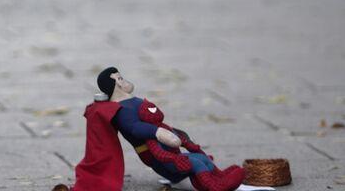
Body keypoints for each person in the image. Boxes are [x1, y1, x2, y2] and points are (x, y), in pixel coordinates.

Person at [97, 67, 245, 191]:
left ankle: (219, 176)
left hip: (166, 146)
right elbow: (135, 128)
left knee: (200, 158)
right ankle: (214, 185)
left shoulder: (130, 101)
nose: (124, 80)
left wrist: (174, 133)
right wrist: (158, 132)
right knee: (195, 163)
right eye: (120, 78)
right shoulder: (122, 110)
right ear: (116, 84)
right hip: (154, 152)